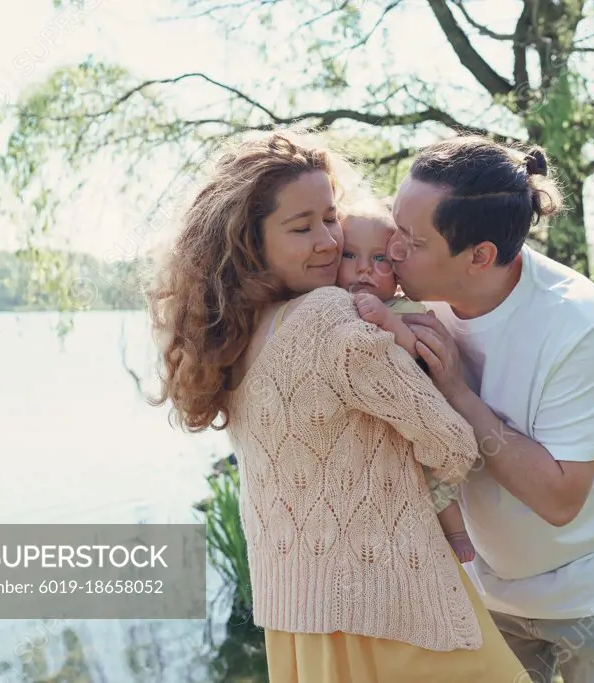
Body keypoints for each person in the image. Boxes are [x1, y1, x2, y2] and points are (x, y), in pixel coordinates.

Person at [146, 130, 526, 683]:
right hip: (393, 614)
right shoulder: (328, 319)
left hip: (297, 621)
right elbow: (453, 446)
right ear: (250, 243)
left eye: (330, 218)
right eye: (301, 228)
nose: (327, 241)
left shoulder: (230, 342)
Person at [386, 136, 594, 683]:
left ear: (480, 257)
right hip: (489, 588)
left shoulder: (576, 321)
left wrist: (458, 393)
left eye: (412, 240)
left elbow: (560, 497)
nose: (391, 249)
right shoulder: (409, 295)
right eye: (394, 225)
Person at [336, 198, 476, 563]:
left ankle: (456, 531)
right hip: (378, 422)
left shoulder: (405, 310)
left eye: (380, 259)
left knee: (432, 477)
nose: (364, 268)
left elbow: (416, 352)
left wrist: (388, 321)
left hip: (424, 410)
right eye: (349, 256)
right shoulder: (331, 306)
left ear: (397, 271)